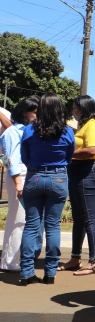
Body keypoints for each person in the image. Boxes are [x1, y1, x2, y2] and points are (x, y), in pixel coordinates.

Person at [18, 93, 74, 285]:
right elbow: (69, 156)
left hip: (34, 175)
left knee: (31, 225)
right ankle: (50, 273)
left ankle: (26, 272)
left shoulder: (29, 130)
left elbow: (24, 156)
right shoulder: (67, 131)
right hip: (58, 177)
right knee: (53, 226)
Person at [58, 95, 95, 276]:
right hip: (78, 170)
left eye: (75, 108)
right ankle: (75, 258)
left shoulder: (92, 124)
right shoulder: (84, 125)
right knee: (78, 218)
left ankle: (94, 261)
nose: (73, 111)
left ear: (83, 109)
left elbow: (93, 149)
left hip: (87, 170)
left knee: (89, 218)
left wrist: (68, 154)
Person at [1, 97, 37, 272]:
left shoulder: (27, 130)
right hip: (19, 176)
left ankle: (15, 259)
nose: (37, 116)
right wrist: (18, 183)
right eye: (35, 112)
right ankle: (11, 261)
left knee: (23, 219)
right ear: (24, 112)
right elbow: (12, 160)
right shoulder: (13, 132)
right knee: (19, 219)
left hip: (26, 175)